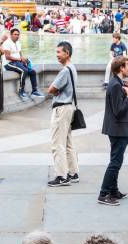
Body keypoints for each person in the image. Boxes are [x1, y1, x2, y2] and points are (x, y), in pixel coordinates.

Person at [99, 57, 128, 207]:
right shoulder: (115, 85)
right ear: (121, 68)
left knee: (116, 160)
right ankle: (103, 193)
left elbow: (127, 108)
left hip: (120, 128)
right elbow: (118, 111)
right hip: (118, 129)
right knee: (115, 162)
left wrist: (127, 93)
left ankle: (113, 190)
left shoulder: (119, 83)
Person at [47, 41, 79, 187]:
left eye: (59, 52)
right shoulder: (72, 68)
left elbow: (51, 89)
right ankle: (73, 173)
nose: (57, 55)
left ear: (67, 53)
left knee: (57, 143)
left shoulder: (65, 70)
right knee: (68, 142)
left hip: (61, 108)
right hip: (69, 107)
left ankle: (61, 176)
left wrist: (55, 90)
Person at [2, 28, 44, 100]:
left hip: (17, 62)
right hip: (8, 63)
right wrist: (19, 59)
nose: (17, 36)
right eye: (15, 34)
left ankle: (34, 91)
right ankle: (21, 91)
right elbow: (7, 57)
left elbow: (20, 54)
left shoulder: (18, 42)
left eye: (18, 34)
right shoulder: (7, 43)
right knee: (24, 70)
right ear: (11, 35)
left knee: (32, 71)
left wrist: (24, 59)